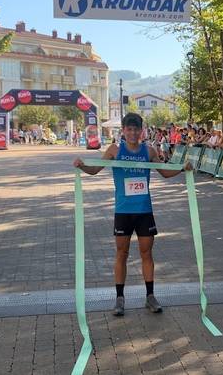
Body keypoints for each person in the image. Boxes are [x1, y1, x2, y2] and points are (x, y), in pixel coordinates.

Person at [73, 113, 193, 316]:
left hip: (144, 210)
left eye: (136, 129)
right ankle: (119, 299)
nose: (133, 132)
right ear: (123, 130)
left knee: (147, 254)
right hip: (123, 211)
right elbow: (95, 170)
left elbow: (164, 172)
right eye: (129, 129)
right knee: (122, 254)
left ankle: (150, 296)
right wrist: (81, 165)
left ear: (141, 131)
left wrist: (182, 169)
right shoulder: (115, 150)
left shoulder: (149, 150)